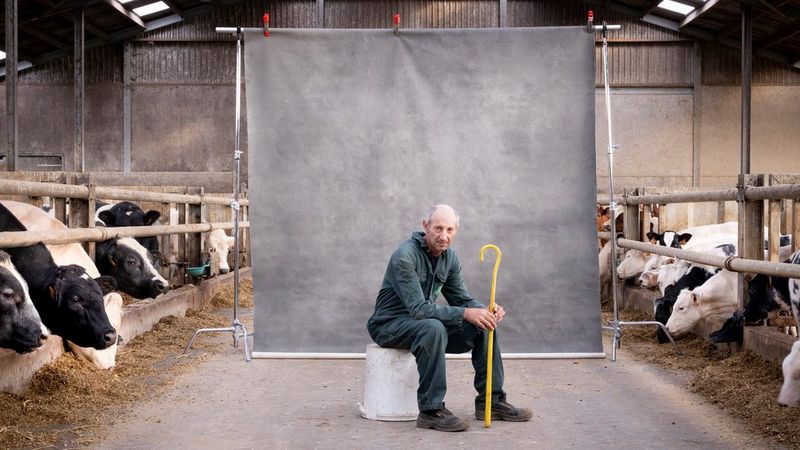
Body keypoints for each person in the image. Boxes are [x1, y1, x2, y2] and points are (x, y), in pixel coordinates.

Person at [367, 204, 532, 432]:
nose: (444, 236)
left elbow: (462, 300)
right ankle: (431, 411)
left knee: (483, 325)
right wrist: (466, 313)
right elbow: (418, 309)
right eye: (438, 228)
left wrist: (484, 310)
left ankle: (491, 402)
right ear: (425, 226)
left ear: (456, 231)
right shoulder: (404, 257)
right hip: (389, 325)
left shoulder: (449, 258)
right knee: (432, 327)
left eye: (450, 230)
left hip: (421, 326)